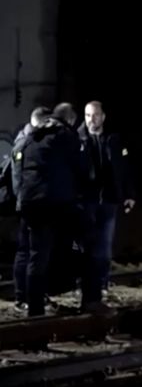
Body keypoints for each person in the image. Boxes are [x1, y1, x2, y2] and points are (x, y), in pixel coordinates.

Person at [12, 107, 82, 316]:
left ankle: (35, 308)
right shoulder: (65, 135)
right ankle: (48, 296)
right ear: (69, 118)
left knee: (35, 255)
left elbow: (21, 166)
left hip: (30, 202)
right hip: (53, 203)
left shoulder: (34, 136)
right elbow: (79, 168)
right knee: (61, 251)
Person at [78, 101, 135, 301]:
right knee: (87, 247)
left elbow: (124, 168)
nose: (90, 120)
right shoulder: (78, 140)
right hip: (87, 201)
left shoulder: (113, 140)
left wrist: (128, 194)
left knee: (105, 247)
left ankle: (101, 284)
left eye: (94, 115)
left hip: (109, 201)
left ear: (103, 117)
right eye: (87, 115)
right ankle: (86, 286)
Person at [8, 106, 52, 311]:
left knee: (32, 252)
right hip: (27, 205)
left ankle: (32, 293)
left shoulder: (28, 141)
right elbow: (18, 178)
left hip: (29, 203)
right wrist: (22, 201)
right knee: (26, 252)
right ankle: (21, 296)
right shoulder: (24, 143)